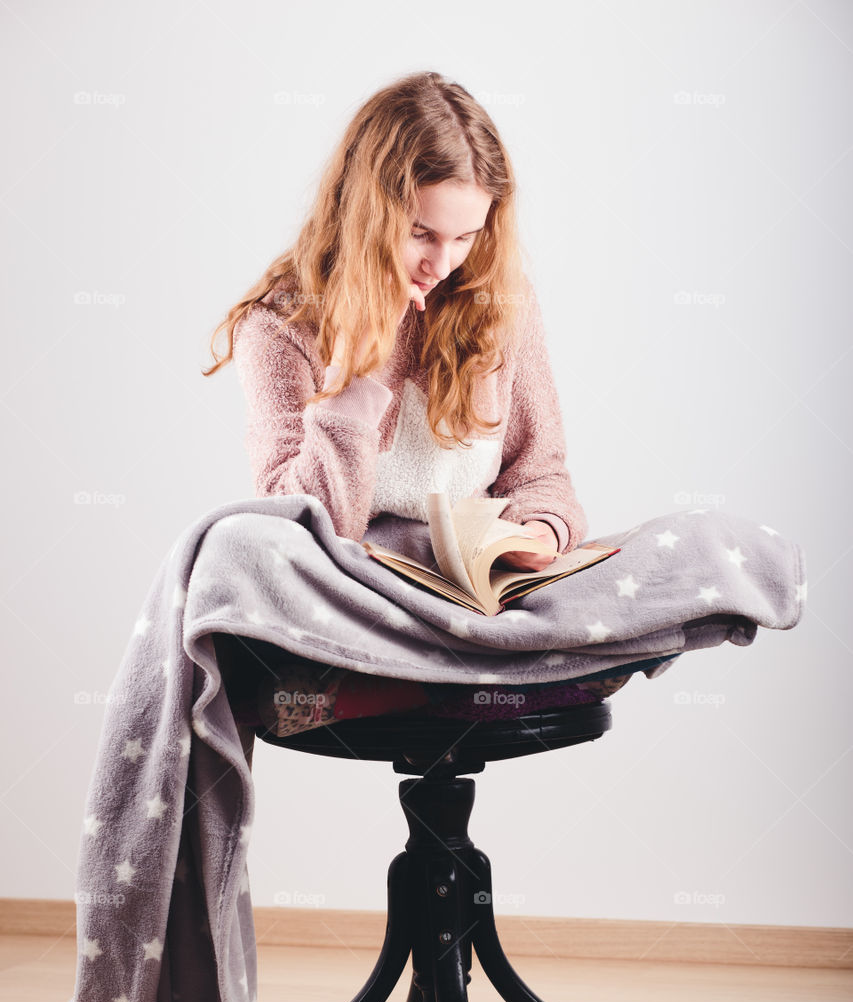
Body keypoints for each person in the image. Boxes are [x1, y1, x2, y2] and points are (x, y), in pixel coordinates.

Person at [202, 70, 616, 735]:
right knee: (237, 548)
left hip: (473, 596)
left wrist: (537, 535)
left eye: (466, 236)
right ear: (366, 209)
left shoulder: (500, 306)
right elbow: (301, 530)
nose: (443, 261)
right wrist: (355, 375)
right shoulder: (280, 327)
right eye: (422, 233)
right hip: (362, 599)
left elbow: (541, 473)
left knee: (697, 551)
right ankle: (479, 672)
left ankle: (444, 676)